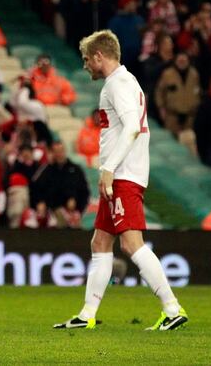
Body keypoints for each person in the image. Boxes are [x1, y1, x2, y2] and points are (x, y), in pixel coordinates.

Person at [55, 29, 188, 331]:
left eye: (87, 59)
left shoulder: (118, 84)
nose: (86, 65)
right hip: (120, 174)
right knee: (100, 241)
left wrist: (109, 168)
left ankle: (172, 307)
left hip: (123, 175)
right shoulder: (124, 83)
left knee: (130, 244)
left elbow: (131, 128)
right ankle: (87, 314)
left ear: (100, 56)